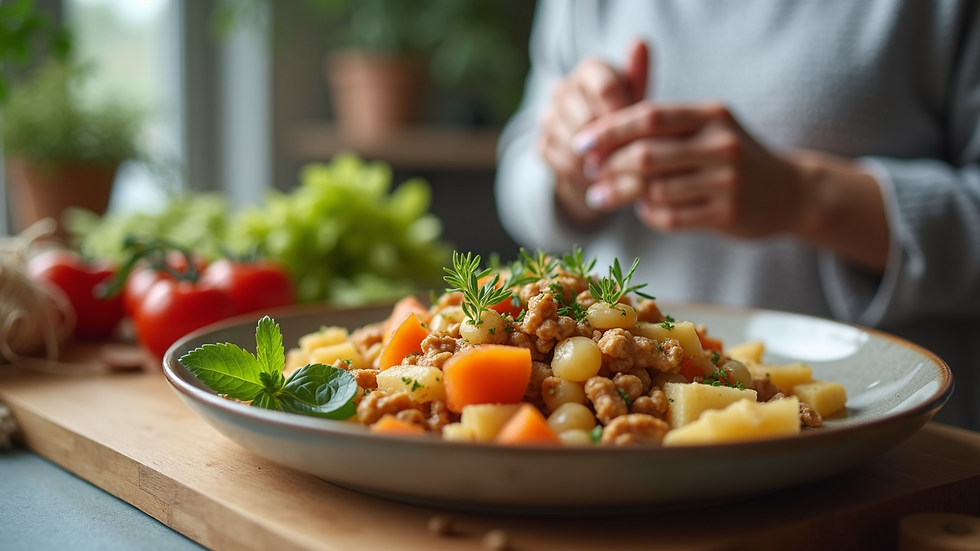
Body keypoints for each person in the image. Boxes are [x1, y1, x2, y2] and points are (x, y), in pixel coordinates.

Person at [495, 1, 980, 429]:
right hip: (616, 437)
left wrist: (805, 196)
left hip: (887, 433)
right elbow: (520, 173)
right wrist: (573, 170)